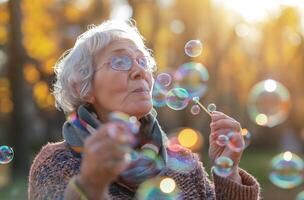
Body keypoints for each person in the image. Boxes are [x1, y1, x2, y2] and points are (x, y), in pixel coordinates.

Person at [28, 20, 261, 200]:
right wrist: (90, 185)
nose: (139, 71)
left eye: (142, 61)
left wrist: (227, 172)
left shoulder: (184, 163)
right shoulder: (58, 162)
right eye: (120, 62)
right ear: (85, 87)